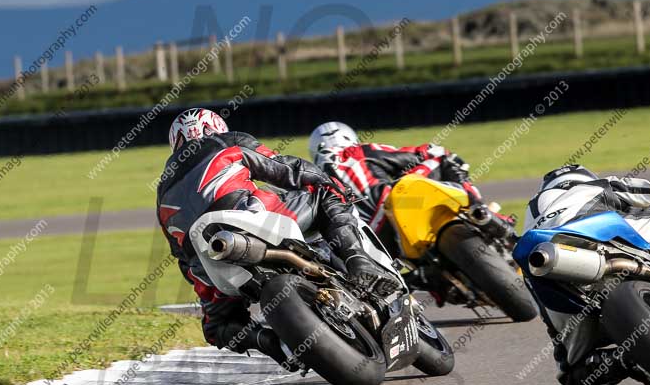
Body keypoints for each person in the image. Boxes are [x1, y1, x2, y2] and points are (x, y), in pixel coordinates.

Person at [157, 109, 400, 371]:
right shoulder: (224, 141)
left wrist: (206, 284)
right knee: (323, 195)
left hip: (209, 260)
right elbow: (285, 168)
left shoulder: (161, 192)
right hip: (252, 217)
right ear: (213, 127)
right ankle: (359, 262)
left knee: (217, 327)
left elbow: (183, 261)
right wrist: (329, 182)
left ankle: (270, 343)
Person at [524, 164, 650, 385]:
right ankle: (634, 354)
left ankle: (626, 357)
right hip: (604, 244)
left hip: (554, 274)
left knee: (577, 383)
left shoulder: (535, 222)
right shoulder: (589, 187)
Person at [308, 121, 485, 249]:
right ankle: (479, 209)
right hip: (399, 205)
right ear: (348, 137)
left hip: (371, 238)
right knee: (442, 156)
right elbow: (418, 154)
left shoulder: (313, 180)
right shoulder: (356, 151)